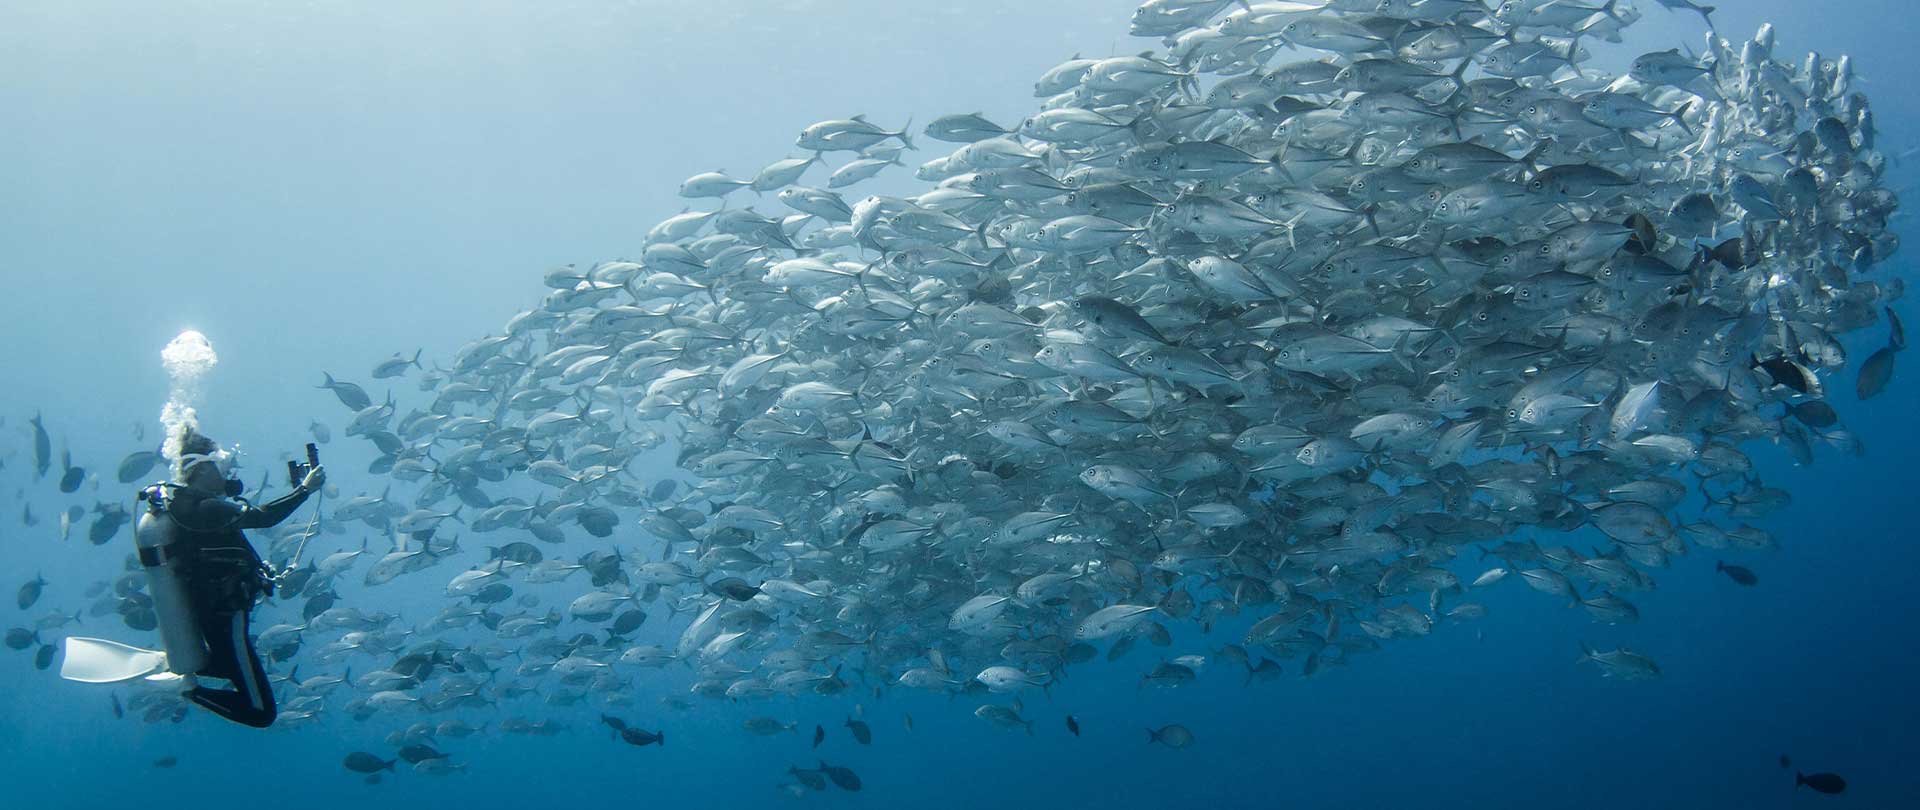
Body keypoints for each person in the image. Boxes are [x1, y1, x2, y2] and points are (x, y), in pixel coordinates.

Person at [166, 427, 324, 727]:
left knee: (230, 668)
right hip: (227, 620)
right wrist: (304, 489)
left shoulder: (189, 506)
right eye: (220, 465)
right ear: (202, 467)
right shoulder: (206, 506)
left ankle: (189, 665)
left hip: (217, 617)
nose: (228, 471)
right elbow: (264, 517)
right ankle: (188, 691)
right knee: (261, 712)